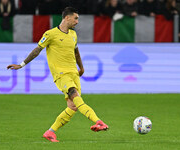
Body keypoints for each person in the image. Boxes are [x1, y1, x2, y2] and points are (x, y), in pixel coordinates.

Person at [7, 7, 109, 142]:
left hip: (74, 74)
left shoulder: (73, 35)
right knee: (75, 95)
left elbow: (76, 52)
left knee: (72, 107)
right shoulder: (50, 34)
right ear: (67, 17)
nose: (77, 21)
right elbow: (37, 50)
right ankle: (98, 121)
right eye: (75, 18)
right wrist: (22, 64)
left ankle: (50, 132)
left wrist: (82, 68)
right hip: (61, 75)